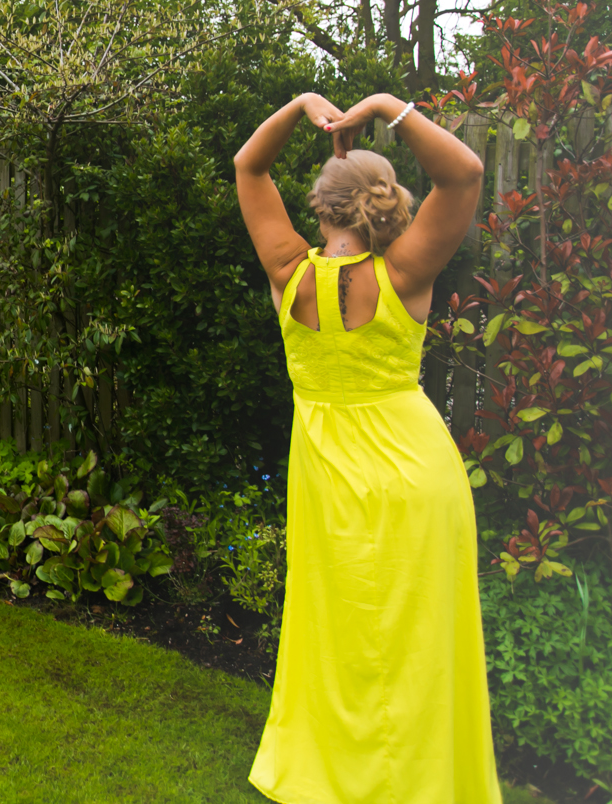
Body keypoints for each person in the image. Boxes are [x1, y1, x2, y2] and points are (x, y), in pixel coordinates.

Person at [234, 92, 500, 802]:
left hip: (327, 476)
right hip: (416, 473)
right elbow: (464, 174)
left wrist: (299, 108)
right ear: (383, 206)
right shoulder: (405, 274)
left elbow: (248, 169)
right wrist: (388, 106)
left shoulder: (288, 271)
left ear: (319, 204)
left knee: (341, 634)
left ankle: (340, 778)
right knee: (417, 645)